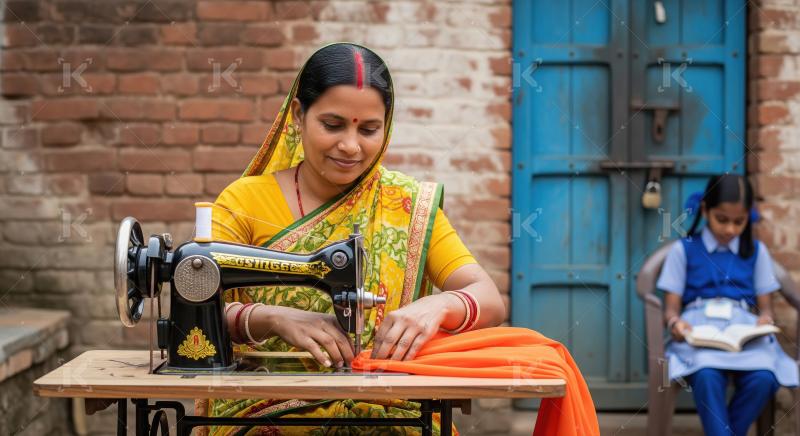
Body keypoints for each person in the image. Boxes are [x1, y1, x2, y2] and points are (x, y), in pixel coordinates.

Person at [197, 43, 506, 435]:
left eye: (369, 129)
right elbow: (198, 312)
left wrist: (440, 305)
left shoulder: (407, 204)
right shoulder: (243, 202)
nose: (350, 145)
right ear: (298, 115)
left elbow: (488, 299)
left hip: (390, 407)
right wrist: (272, 318)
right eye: (333, 125)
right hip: (266, 408)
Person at [657, 174, 799, 436]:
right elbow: (671, 308)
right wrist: (676, 323)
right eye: (722, 220)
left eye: (739, 222)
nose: (730, 230)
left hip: (743, 333)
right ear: (705, 210)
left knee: (765, 377)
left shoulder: (756, 252)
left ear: (748, 218)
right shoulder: (683, 250)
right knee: (706, 374)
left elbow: (765, 307)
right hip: (699, 333)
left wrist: (765, 319)